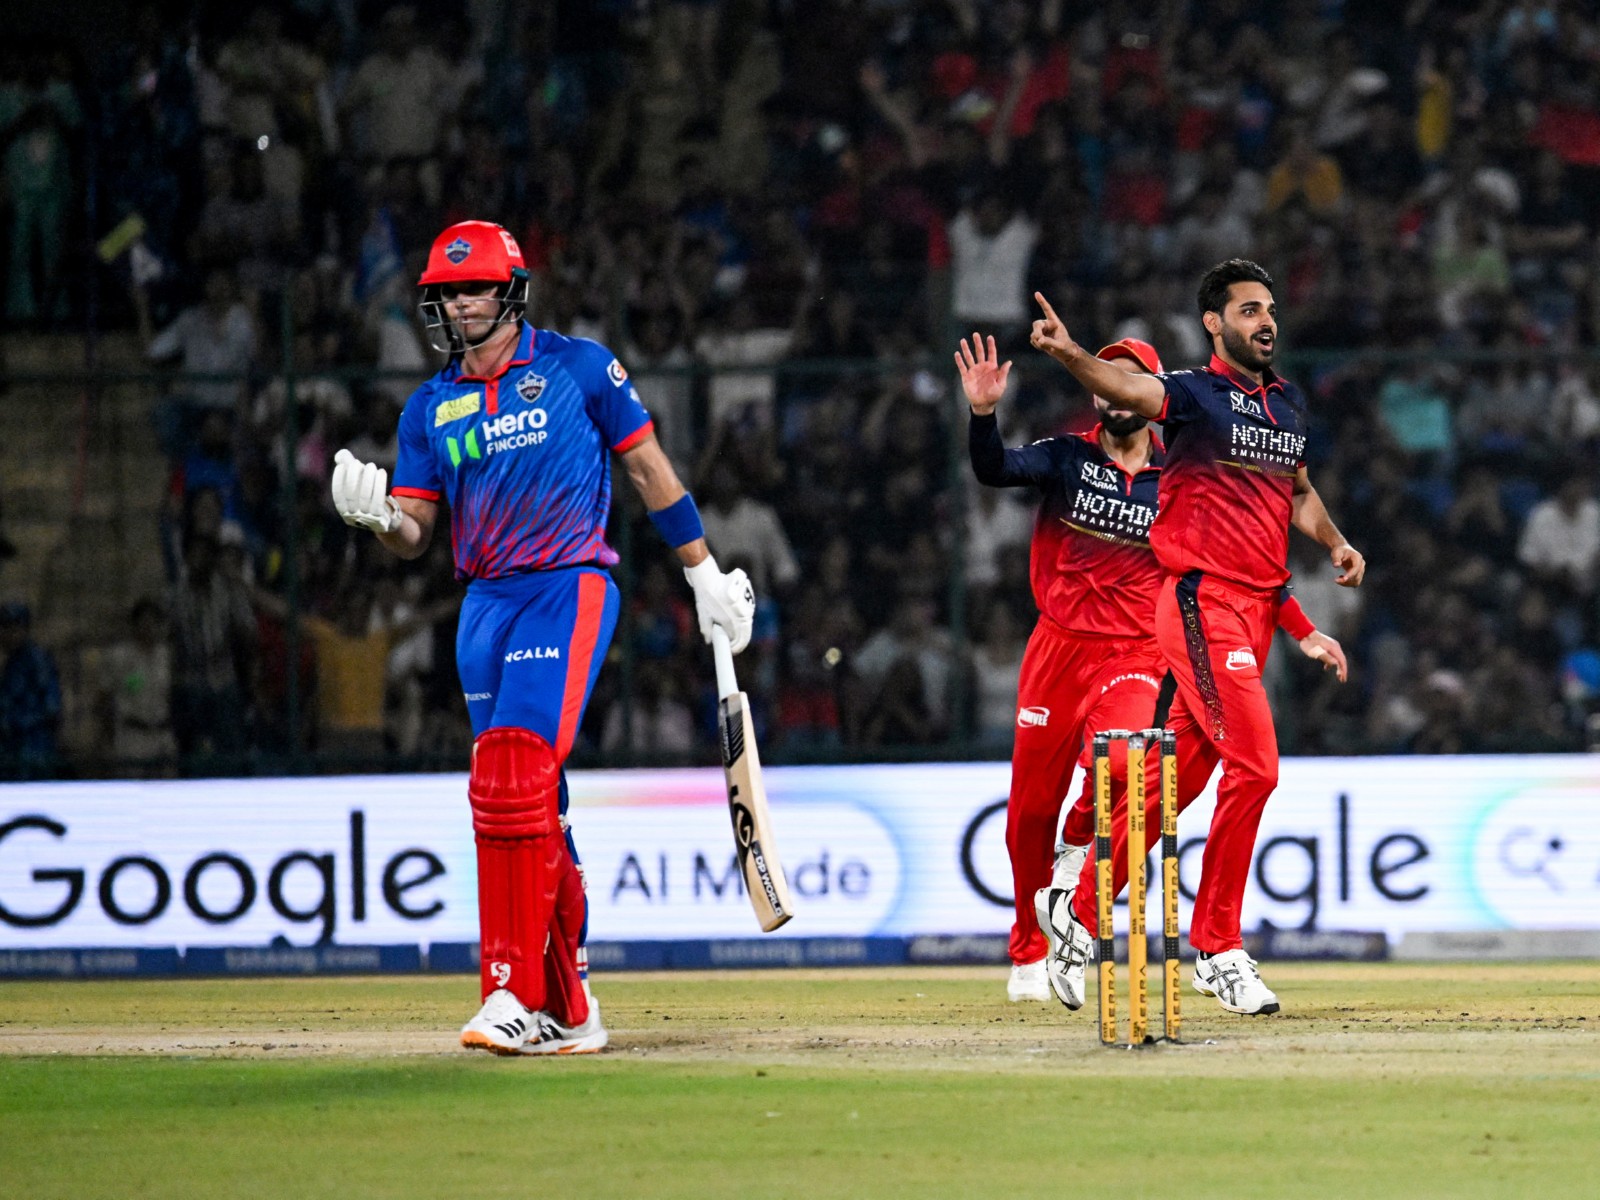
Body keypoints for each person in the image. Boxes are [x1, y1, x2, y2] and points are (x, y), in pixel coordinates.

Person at [330, 220, 755, 1055]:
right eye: (447, 292)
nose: (459, 304)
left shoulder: (579, 369)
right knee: (518, 795)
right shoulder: (430, 406)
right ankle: (571, 1006)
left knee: (519, 767)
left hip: (568, 586)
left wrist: (703, 571)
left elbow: (650, 472)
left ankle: (511, 991)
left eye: (474, 287)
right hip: (484, 602)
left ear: (511, 291)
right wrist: (379, 516)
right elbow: (417, 531)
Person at [956, 332, 1346, 1005]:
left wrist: (1302, 630)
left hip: (1138, 650)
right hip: (1057, 647)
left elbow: (1242, 564)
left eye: (1129, 381)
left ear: (1151, 393)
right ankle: (1029, 942)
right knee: (1028, 811)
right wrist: (983, 415)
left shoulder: (1182, 473)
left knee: (1125, 763)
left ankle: (1081, 847)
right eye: (1105, 380)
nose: (1115, 393)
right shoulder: (1067, 457)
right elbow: (994, 471)